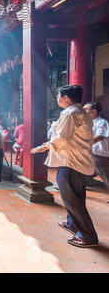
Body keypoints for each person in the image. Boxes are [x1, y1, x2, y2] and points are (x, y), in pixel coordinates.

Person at [31, 85, 98, 248]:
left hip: (71, 162)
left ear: (67, 98)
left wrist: (43, 147)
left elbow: (62, 138)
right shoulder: (79, 112)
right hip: (76, 162)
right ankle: (72, 224)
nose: (58, 99)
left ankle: (88, 236)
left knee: (72, 200)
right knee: (76, 197)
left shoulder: (72, 113)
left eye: (60, 96)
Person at [83, 102, 109, 188]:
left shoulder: (102, 122)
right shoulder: (88, 123)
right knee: (83, 174)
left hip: (100, 154)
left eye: (85, 110)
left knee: (106, 176)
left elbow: (100, 136)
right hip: (92, 153)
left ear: (94, 111)